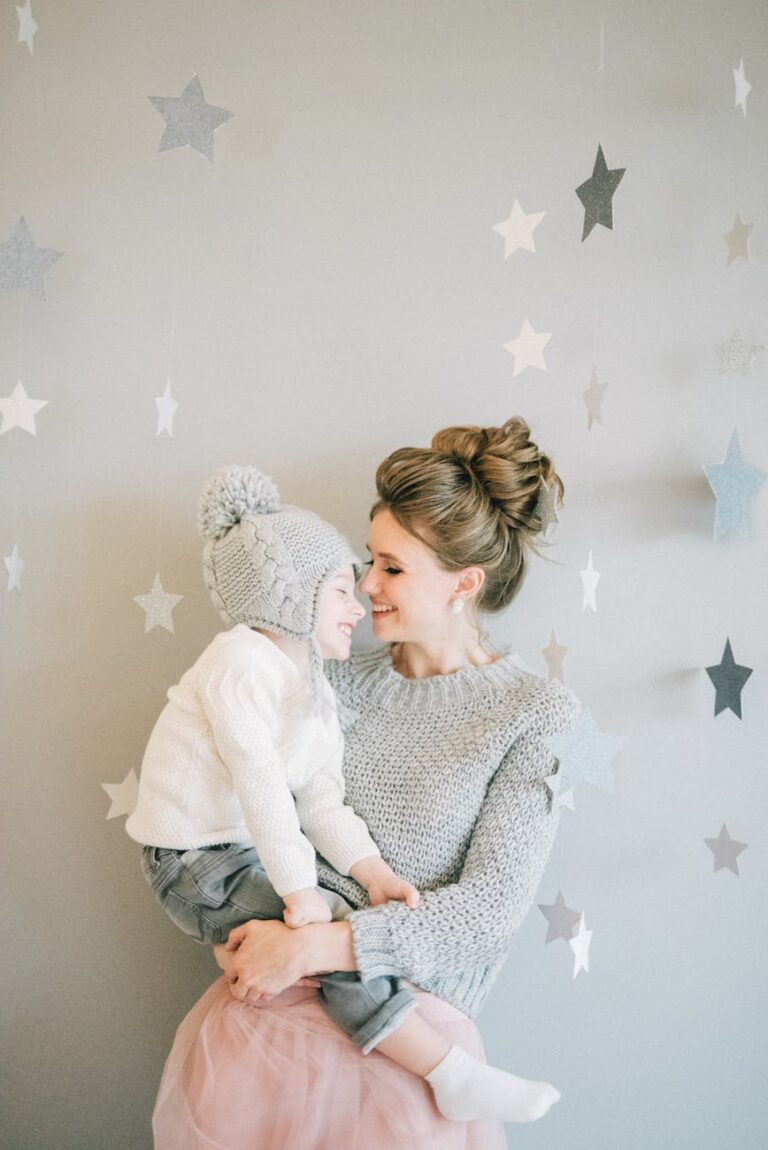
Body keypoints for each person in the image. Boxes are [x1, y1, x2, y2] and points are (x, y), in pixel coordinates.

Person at [151, 417, 582, 1150]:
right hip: (265, 1034)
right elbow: (245, 812)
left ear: (464, 584)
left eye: (391, 567)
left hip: (405, 1064)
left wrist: (314, 948)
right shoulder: (326, 672)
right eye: (366, 562)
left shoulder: (532, 715)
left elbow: (484, 915)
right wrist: (234, 929)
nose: (364, 586)